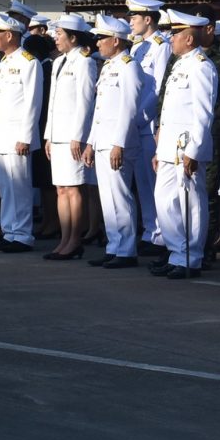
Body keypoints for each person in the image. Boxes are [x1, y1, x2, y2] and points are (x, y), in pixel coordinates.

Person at [151, 9, 217, 279]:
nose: (170, 38)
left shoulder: (201, 66)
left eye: (175, 34)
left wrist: (193, 151)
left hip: (187, 148)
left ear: (189, 39)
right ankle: (177, 252)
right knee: (164, 201)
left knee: (191, 203)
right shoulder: (179, 65)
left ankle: (192, 257)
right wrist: (159, 150)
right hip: (169, 147)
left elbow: (203, 113)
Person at [84, 14, 142, 268]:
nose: (97, 43)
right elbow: (99, 110)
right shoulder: (108, 67)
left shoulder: (129, 66)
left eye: (102, 38)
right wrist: (91, 142)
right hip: (102, 142)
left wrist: (119, 143)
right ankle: (114, 246)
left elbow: (129, 109)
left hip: (118, 143)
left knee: (120, 197)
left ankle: (127, 250)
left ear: (116, 40)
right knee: (107, 199)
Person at [0, 12, 43, 254]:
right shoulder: (3, 63)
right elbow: (0, 105)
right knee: (5, 188)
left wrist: (25, 137)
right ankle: (9, 231)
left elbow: (32, 103)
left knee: (19, 187)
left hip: (18, 136)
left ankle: (22, 235)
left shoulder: (29, 62)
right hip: (2, 136)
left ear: (9, 35)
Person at [42, 13, 98, 260]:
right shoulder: (58, 62)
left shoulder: (84, 62)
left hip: (73, 136)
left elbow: (85, 102)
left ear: (73, 37)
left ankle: (75, 240)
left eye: (59, 34)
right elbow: (53, 102)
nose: (55, 38)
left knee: (74, 189)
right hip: (58, 134)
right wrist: (48, 135)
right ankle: (64, 239)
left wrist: (79, 136)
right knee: (61, 189)